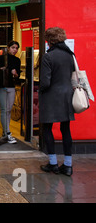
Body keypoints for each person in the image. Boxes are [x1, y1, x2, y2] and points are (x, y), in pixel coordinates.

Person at [39, 27, 75, 176]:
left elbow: (45, 82)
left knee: (47, 128)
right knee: (65, 129)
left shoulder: (48, 57)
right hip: (67, 96)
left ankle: (53, 163)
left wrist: (39, 88)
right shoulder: (69, 55)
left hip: (51, 97)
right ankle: (68, 165)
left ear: (50, 40)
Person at [0, 40, 21, 144]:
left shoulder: (17, 60)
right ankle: (8, 132)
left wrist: (15, 74)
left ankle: (5, 133)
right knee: (5, 110)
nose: (15, 50)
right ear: (8, 47)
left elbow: (17, 75)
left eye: (17, 48)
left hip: (11, 86)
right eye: (13, 47)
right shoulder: (0, 59)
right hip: (0, 86)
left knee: (8, 110)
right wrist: (2, 70)